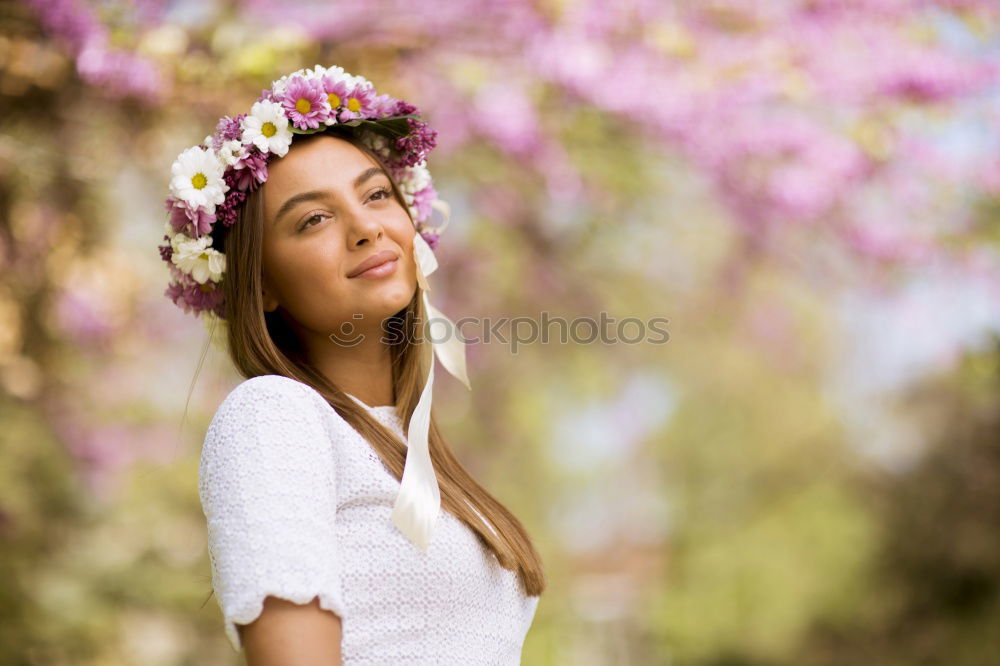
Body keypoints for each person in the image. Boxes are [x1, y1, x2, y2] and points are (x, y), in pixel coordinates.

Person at [159, 65, 545, 664]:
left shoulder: (406, 442)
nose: (365, 228)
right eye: (313, 219)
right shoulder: (273, 417)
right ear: (261, 285)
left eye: (375, 195)